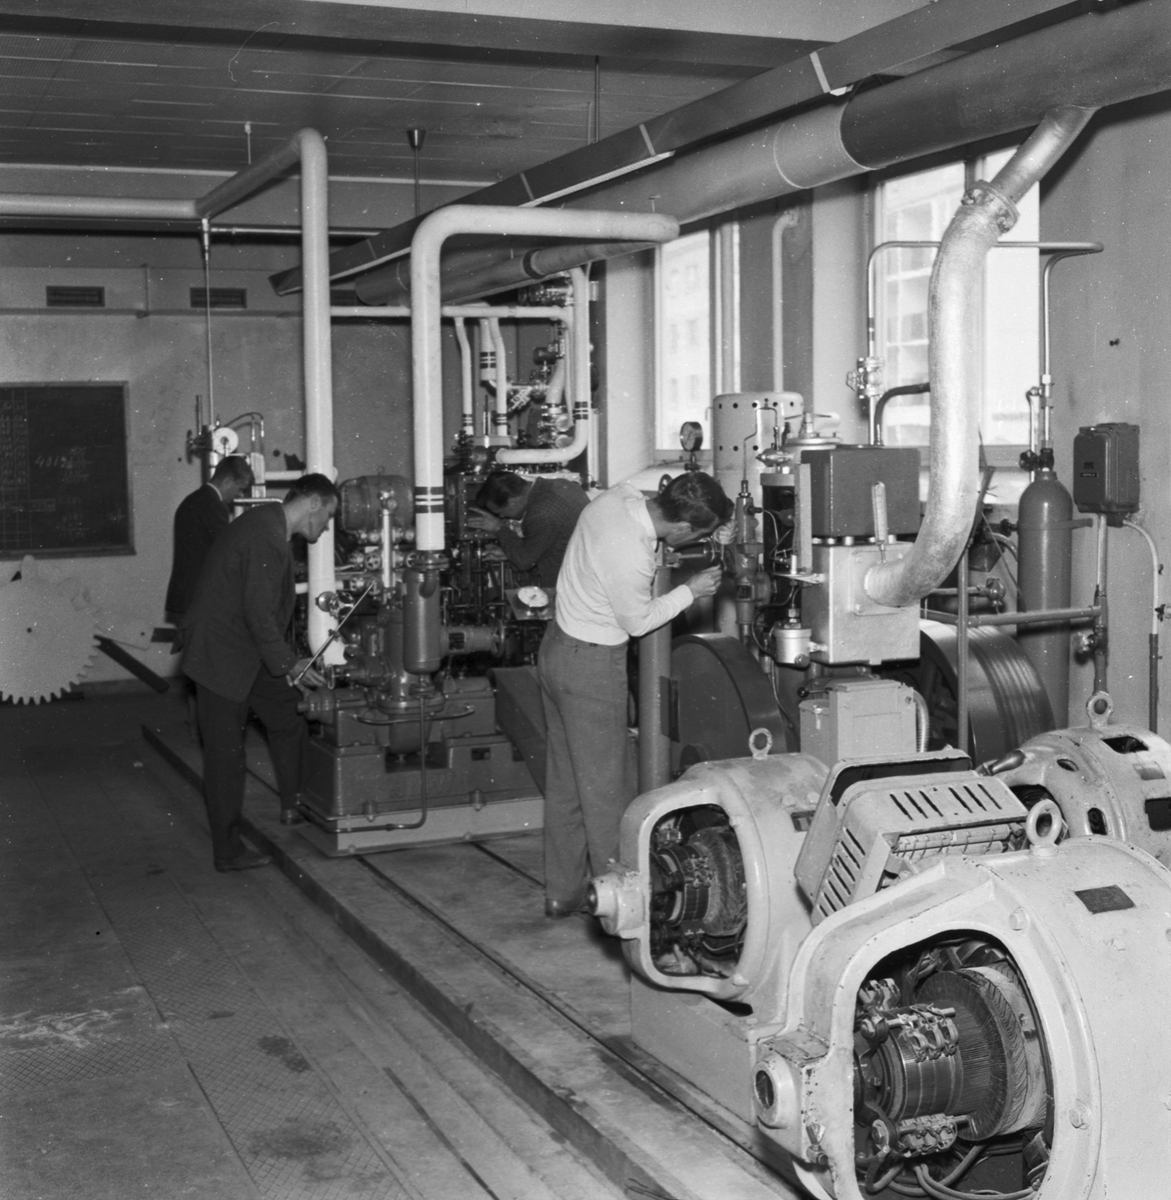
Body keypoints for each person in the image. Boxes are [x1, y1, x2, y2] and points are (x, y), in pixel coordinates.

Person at [538, 470, 733, 917]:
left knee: (568, 784)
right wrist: (690, 590)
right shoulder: (632, 554)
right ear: (680, 527)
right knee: (608, 793)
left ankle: (563, 893)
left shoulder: (616, 499)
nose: (694, 542)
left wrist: (717, 523)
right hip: (591, 667)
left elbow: (649, 493)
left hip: (556, 650)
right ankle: (622, 906)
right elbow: (639, 621)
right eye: (696, 535)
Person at [180, 473, 339, 872]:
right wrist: (289, 663)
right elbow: (257, 612)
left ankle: (295, 805)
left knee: (289, 714)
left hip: (245, 651)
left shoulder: (269, 524)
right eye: (328, 515)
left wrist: (284, 662)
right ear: (313, 504)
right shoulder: (266, 536)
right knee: (226, 756)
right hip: (221, 657)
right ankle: (228, 851)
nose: (326, 526)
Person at [165, 455, 254, 622]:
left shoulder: (194, 499)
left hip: (185, 597)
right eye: (239, 488)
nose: (239, 495)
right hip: (197, 601)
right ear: (228, 481)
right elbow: (229, 551)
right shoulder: (213, 505)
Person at [466, 471, 589, 588]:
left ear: (513, 501)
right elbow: (552, 542)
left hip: (571, 585)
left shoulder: (540, 513)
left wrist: (498, 527)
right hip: (583, 573)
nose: (502, 517)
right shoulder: (561, 484)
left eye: (499, 513)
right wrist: (510, 553)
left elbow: (525, 561)